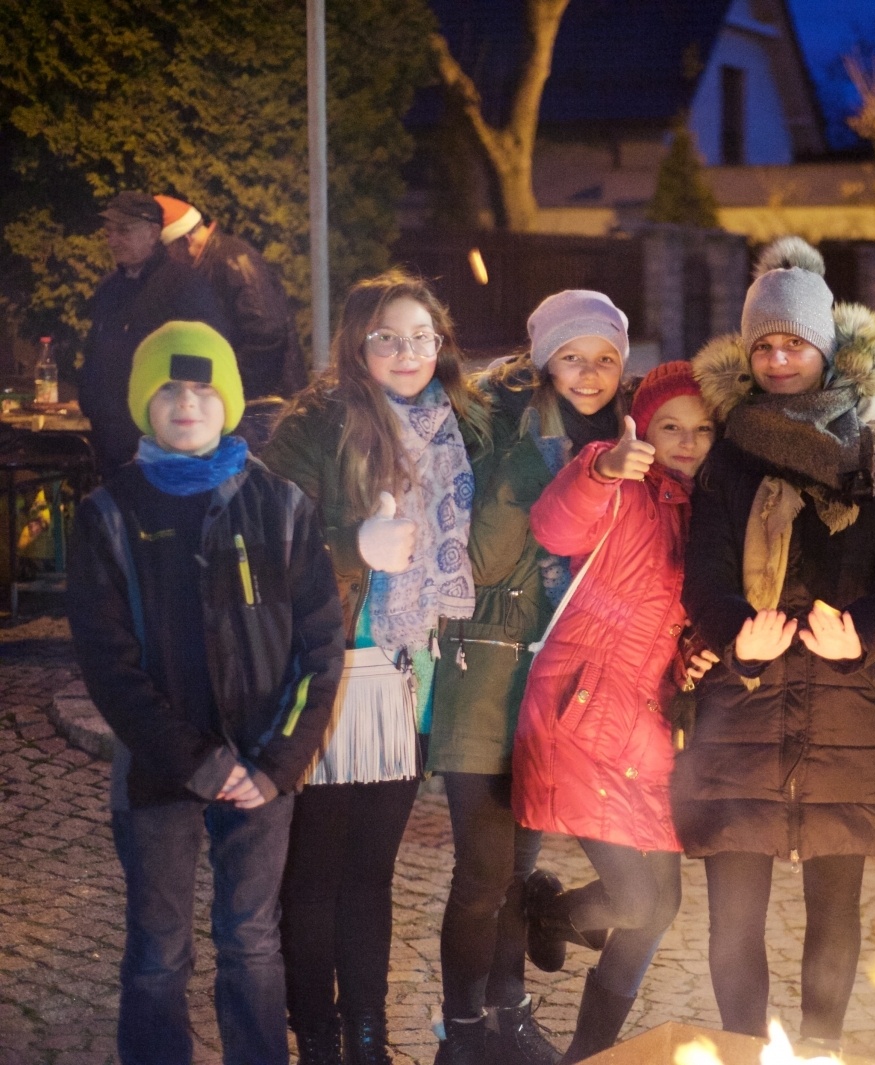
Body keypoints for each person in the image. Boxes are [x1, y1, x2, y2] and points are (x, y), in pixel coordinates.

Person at [674, 237, 875, 1053]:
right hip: (741, 712)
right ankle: (743, 1053)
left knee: (835, 911)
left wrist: (861, 635)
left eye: (794, 342)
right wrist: (733, 637)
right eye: (765, 345)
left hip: (848, 709)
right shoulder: (727, 460)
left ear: (825, 347)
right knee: (733, 922)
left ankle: (820, 1052)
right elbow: (703, 576)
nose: (780, 357)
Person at [66, 320, 345, 1065]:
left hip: (262, 771)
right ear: (143, 403)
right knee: (158, 948)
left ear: (226, 401)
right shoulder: (108, 515)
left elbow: (319, 649)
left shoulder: (280, 506)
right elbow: (109, 663)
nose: (187, 403)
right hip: (160, 772)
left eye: (202, 387)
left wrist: (276, 764)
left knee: (251, 941)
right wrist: (194, 760)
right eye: (168, 388)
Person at [261, 270, 489, 1065]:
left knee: (371, 870)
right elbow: (263, 539)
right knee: (315, 869)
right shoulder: (317, 423)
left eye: (423, 336)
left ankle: (367, 1033)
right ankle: (317, 1035)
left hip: (407, 677)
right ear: (357, 343)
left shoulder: (453, 425)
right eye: (389, 336)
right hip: (329, 672)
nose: (408, 351)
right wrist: (353, 546)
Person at [427, 289, 633, 1065]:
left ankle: (508, 1015)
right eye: (573, 356)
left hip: (556, 690)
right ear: (544, 356)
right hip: (486, 670)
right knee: (482, 872)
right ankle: (464, 1034)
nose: (589, 373)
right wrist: (532, 466)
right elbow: (476, 563)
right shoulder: (494, 427)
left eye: (606, 358)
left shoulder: (620, 437)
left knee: (518, 869)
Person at [516, 360, 716, 1062]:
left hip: (648, 725)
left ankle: (588, 1056)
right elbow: (553, 527)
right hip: (584, 711)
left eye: (701, 428)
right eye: (670, 427)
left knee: (661, 906)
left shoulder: (708, 512)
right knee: (634, 898)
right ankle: (546, 909)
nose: (686, 441)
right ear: (643, 428)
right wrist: (601, 468)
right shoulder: (622, 483)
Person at [82, 191, 226, 471]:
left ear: (152, 233)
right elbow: (94, 356)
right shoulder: (109, 290)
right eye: (109, 232)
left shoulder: (184, 288)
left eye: (123, 231)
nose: (113, 240)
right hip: (111, 444)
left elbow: (207, 361)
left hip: (164, 448)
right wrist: (92, 406)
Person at [156, 195, 309, 403]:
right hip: (254, 401)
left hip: (263, 406)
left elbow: (267, 332)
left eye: (165, 250)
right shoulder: (218, 261)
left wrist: (228, 385)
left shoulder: (233, 262)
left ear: (184, 240)